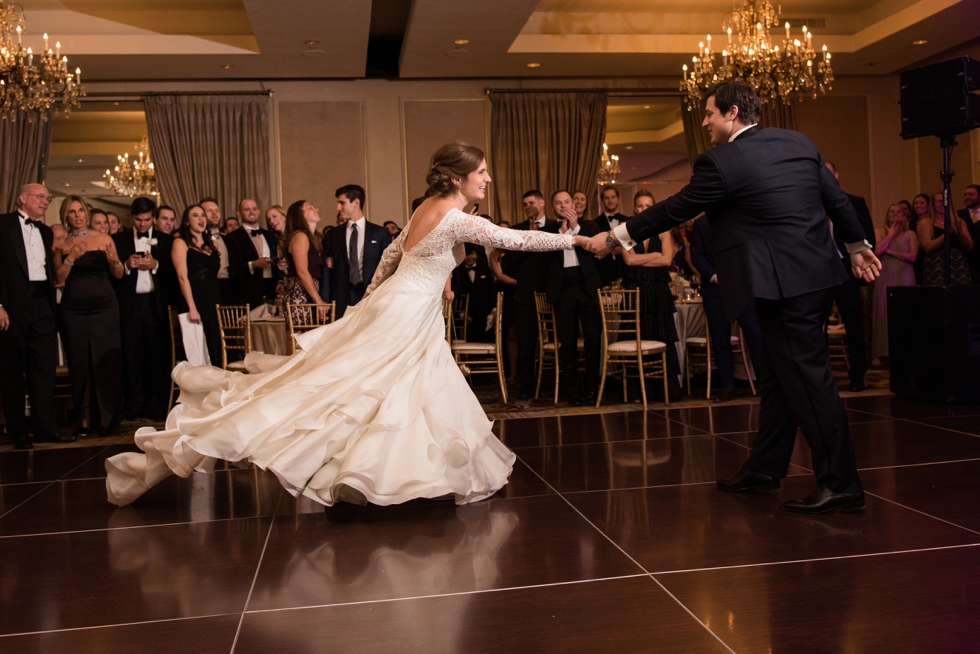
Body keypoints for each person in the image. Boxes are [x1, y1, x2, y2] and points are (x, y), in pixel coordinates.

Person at [105, 141, 585, 508]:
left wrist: (373, 294)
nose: (488, 178)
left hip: (399, 306)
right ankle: (381, 475)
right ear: (459, 178)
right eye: (481, 172)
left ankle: (385, 476)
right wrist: (579, 243)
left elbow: (393, 255)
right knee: (354, 391)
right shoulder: (458, 217)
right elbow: (515, 239)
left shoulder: (423, 208)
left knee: (389, 391)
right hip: (406, 312)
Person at [585, 81, 881, 515]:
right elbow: (835, 198)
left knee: (808, 380)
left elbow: (676, 208)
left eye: (708, 114)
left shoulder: (722, 160)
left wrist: (616, 236)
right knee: (782, 378)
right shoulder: (798, 142)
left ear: (733, 113)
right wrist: (855, 246)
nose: (703, 122)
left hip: (780, 285)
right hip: (815, 277)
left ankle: (841, 483)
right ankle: (765, 467)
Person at [0, 184, 70, 448]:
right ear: (22, 198)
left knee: (43, 371)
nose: (45, 202)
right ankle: (17, 432)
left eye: (47, 199)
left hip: (42, 304)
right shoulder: (3, 224)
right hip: (11, 307)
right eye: (40, 197)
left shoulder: (44, 231)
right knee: (12, 370)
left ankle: (46, 430)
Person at [54, 196, 124, 437]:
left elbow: (118, 273)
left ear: (86, 213)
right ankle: (83, 419)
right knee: (80, 363)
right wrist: (71, 257)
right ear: (66, 216)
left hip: (105, 306)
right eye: (72, 212)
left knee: (105, 363)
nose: (77, 216)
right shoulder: (60, 243)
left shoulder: (104, 238)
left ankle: (107, 418)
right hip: (73, 309)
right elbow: (59, 277)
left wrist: (115, 262)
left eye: (81, 211)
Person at [112, 196, 176, 421]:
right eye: (139, 220)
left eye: (147, 220)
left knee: (158, 356)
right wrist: (126, 266)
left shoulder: (165, 241)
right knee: (132, 356)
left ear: (154, 217)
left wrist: (155, 265)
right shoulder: (118, 240)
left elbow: (173, 274)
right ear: (132, 218)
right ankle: (134, 405)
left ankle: (158, 407)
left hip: (155, 305)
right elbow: (111, 275)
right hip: (130, 306)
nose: (142, 224)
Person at [689, 214, 764, 403]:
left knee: (755, 336)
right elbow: (696, 256)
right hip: (714, 291)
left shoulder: (738, 218)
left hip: (743, 288)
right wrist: (714, 277)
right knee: (720, 339)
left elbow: (749, 249)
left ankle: (765, 384)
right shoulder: (700, 224)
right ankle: (727, 386)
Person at [618, 193, 683, 403]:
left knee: (661, 337)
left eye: (648, 205)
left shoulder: (664, 229)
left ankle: (663, 389)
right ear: (634, 208)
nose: (644, 209)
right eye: (640, 205)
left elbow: (666, 259)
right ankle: (637, 392)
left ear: (653, 206)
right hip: (634, 289)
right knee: (634, 339)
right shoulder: (625, 230)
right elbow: (628, 260)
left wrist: (642, 259)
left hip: (658, 291)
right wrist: (653, 256)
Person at [544, 191, 602, 405]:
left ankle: (592, 390)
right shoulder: (549, 230)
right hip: (563, 289)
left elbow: (594, 249)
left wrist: (575, 228)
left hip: (586, 287)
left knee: (592, 339)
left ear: (574, 204)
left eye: (566, 202)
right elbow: (548, 253)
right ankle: (574, 392)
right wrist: (563, 230)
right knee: (567, 343)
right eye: (558, 203)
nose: (563, 206)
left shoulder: (589, 227)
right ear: (553, 207)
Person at [824, 162, 877, 392]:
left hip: (848, 271)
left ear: (836, 175)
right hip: (820, 275)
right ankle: (822, 377)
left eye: (828, 172)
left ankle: (858, 374)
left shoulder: (854, 203)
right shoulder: (810, 205)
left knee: (854, 324)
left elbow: (867, 235)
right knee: (817, 327)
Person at [507, 190, 554, 399]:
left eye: (532, 203)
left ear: (542, 203)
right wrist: (529, 237)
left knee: (556, 341)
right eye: (525, 204)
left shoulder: (555, 227)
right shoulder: (518, 230)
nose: (528, 207)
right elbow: (509, 263)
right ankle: (526, 385)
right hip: (525, 294)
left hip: (552, 292)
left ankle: (555, 384)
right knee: (526, 342)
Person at [320, 185, 391, 319]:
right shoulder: (333, 235)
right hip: (341, 297)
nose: (338, 208)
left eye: (342, 203)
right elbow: (326, 271)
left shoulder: (379, 233)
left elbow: (389, 267)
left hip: (371, 296)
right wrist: (324, 301)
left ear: (356, 203)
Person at [172, 205, 222, 367]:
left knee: (216, 346)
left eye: (203, 215)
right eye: (195, 215)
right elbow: (182, 277)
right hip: (193, 299)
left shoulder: (214, 245)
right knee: (197, 352)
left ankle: (218, 386)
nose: (201, 219)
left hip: (214, 299)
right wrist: (191, 307)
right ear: (187, 221)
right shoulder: (180, 243)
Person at [871, 204, 917, 365]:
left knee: (905, 312)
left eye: (899, 212)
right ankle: (881, 353)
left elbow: (912, 256)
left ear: (903, 215)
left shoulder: (910, 233)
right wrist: (890, 234)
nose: (895, 214)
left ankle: (906, 351)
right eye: (892, 211)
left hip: (905, 275)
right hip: (884, 276)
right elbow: (876, 251)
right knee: (883, 312)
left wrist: (890, 252)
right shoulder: (879, 232)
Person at [226, 198, 281, 308]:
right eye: (247, 209)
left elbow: (277, 260)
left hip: (272, 289)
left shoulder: (270, 234)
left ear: (259, 211)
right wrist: (253, 264)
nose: (252, 212)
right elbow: (233, 268)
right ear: (239, 213)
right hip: (249, 290)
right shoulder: (232, 237)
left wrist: (280, 281)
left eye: (254, 209)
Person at [920, 192, 973, 286]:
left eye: (945, 201)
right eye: (939, 201)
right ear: (933, 204)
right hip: (936, 266)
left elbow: (970, 246)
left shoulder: (958, 221)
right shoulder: (926, 223)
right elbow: (927, 247)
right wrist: (947, 232)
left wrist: (960, 232)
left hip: (958, 265)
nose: (943, 204)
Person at [283, 200, 328, 308]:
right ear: (300, 215)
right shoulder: (300, 236)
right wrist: (318, 300)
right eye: (310, 207)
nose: (316, 209)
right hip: (300, 296)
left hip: (312, 293)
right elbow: (302, 272)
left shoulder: (316, 238)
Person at [452, 243, 496, 342]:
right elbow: (457, 295)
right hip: (468, 315)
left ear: (477, 254)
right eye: (467, 255)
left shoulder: (484, 269)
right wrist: (462, 314)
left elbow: (492, 290)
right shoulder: (458, 272)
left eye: (472, 254)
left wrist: (494, 309)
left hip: (485, 313)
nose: (469, 257)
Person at [593, 186, 629, 286]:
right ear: (602, 200)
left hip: (627, 273)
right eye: (607, 198)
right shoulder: (595, 223)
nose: (610, 201)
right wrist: (611, 252)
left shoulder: (628, 221)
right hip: (605, 275)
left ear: (618, 199)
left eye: (613, 197)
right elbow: (594, 251)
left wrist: (622, 249)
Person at [200, 198, 234, 305]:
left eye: (217, 210)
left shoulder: (230, 240)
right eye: (210, 211)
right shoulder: (197, 240)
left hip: (228, 287)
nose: (214, 213)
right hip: (206, 288)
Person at [957, 184, 980, 283]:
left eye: (971, 194)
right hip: (966, 260)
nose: (967, 197)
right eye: (965, 194)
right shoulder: (959, 215)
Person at [910, 193, 932, 284]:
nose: (918, 205)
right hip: (916, 257)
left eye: (922, 203)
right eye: (916, 203)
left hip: (929, 255)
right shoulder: (911, 223)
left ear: (928, 205)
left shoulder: (932, 221)